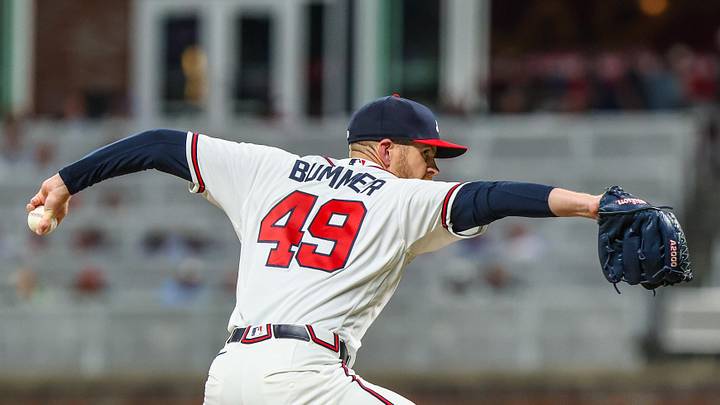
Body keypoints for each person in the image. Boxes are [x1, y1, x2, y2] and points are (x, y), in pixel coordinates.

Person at [28, 95, 607, 404]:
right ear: (384, 150)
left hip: (229, 379)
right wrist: (597, 206)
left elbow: (156, 143)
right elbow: (495, 197)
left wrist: (63, 182)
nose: (433, 167)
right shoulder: (398, 198)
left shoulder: (269, 169)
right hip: (303, 377)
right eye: (426, 153)